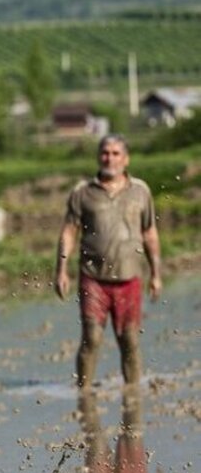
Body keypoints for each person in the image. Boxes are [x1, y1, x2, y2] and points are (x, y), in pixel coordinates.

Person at [55, 134, 162, 389]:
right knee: (91, 338)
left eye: (115, 153)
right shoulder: (83, 192)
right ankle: (83, 393)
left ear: (126, 159)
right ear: (98, 156)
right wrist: (61, 270)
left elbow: (149, 233)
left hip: (129, 278)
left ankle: (132, 395)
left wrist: (156, 274)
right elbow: (69, 231)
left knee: (129, 340)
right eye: (105, 152)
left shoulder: (140, 190)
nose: (109, 158)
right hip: (93, 278)